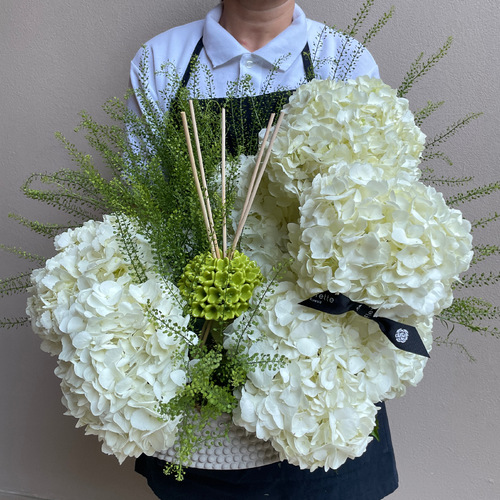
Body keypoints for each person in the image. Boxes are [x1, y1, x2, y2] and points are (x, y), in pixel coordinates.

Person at [129, 1, 399, 499]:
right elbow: (143, 204)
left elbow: (375, 214)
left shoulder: (342, 59)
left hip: (317, 353)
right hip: (199, 340)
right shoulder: (162, 58)